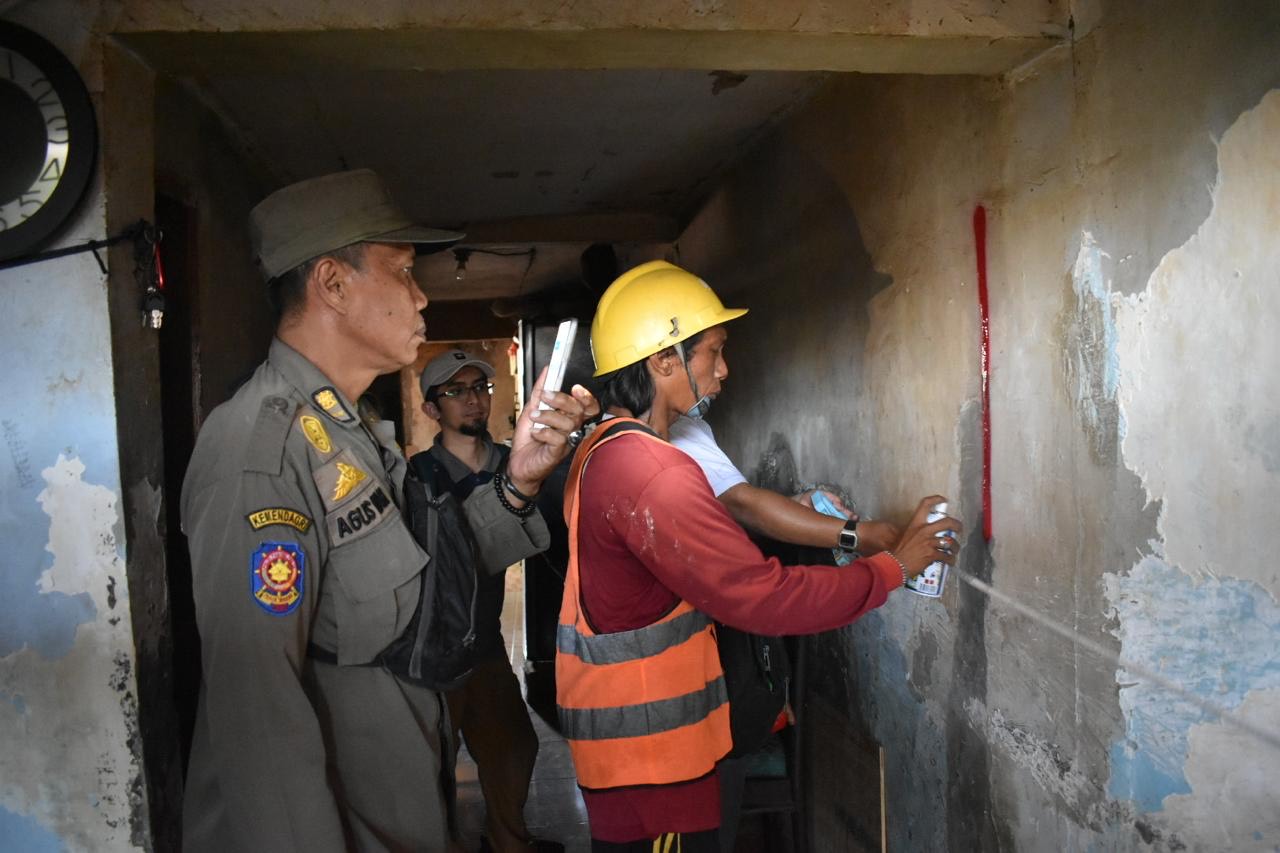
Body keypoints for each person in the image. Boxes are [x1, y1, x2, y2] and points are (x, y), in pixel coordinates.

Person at [180, 169, 596, 852]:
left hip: (399, 809)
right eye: (403, 271)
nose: (423, 293)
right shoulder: (261, 449)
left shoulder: (355, 435)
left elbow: (432, 577)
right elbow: (258, 717)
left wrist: (520, 478)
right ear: (332, 284)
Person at [555, 260, 960, 851]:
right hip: (654, 757)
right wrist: (893, 568)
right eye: (712, 352)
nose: (724, 370)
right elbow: (763, 597)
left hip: (635, 745)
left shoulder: (604, 447)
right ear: (663, 360)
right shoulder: (653, 472)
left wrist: (859, 534)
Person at [411, 348, 562, 853]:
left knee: (513, 749)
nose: (473, 401)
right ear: (433, 409)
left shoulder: (512, 462)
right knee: (429, 761)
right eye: (456, 392)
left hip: (486, 641)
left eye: (480, 388)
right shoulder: (420, 477)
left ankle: (507, 842)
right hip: (433, 647)